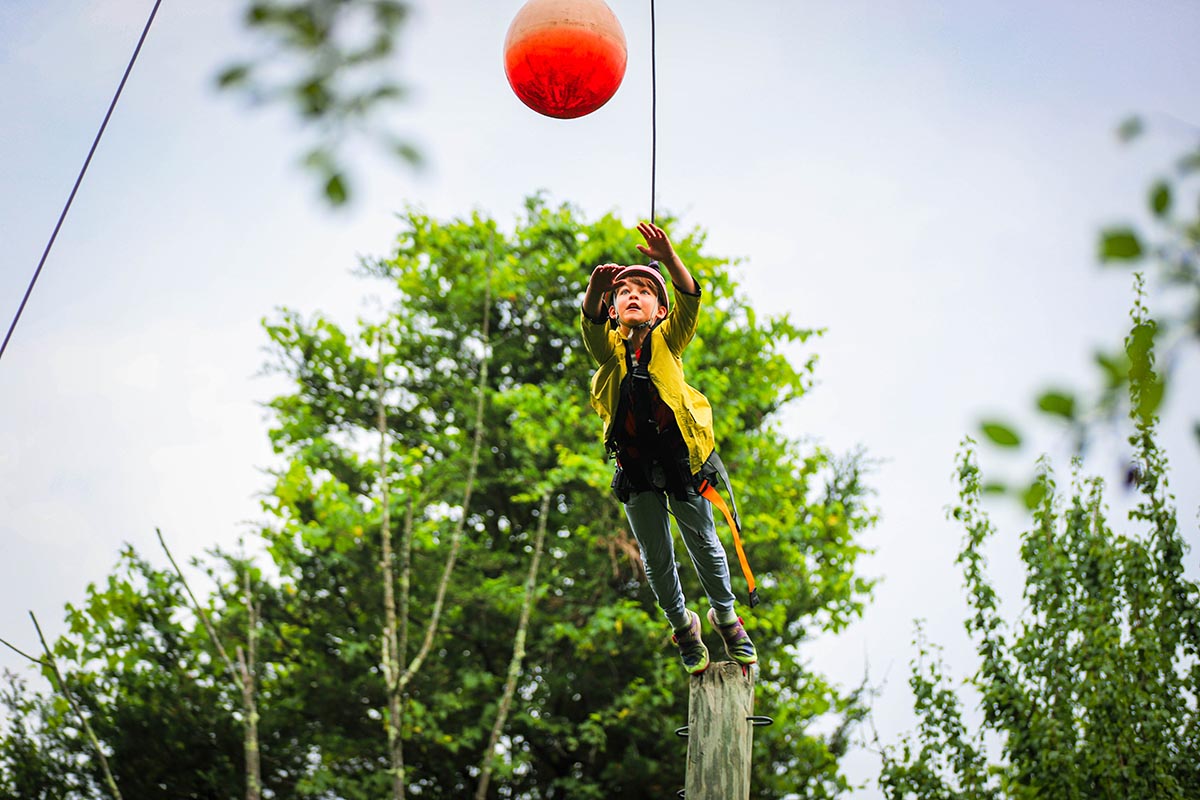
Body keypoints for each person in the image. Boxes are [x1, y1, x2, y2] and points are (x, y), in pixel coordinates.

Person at [579, 221, 757, 675]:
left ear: (660, 311)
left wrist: (670, 257)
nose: (632, 296)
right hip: (636, 469)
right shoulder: (609, 352)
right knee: (657, 558)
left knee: (705, 545)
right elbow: (592, 325)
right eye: (623, 293)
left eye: (644, 292)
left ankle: (726, 615)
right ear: (614, 310)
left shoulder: (668, 341)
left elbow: (690, 301)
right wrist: (594, 289)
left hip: (682, 465)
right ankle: (682, 624)